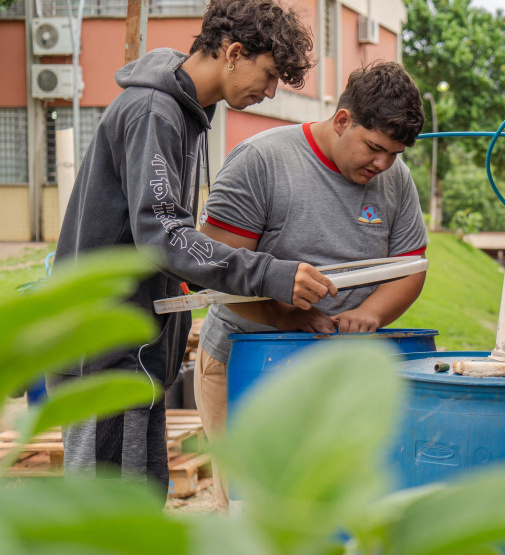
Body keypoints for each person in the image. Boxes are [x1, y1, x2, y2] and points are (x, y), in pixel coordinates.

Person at [50, 0, 335, 499]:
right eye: (268, 75)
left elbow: (168, 238)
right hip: (106, 355)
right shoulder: (153, 111)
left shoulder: (186, 113)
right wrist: (271, 274)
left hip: (137, 352)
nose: (269, 92)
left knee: (141, 504)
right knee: (111, 522)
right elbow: (165, 236)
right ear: (234, 52)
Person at [194, 61, 428, 509]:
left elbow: (411, 266)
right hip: (248, 359)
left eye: (395, 154)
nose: (384, 164)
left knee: (337, 504)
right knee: (254, 507)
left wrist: (372, 313)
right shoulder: (262, 160)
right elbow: (215, 268)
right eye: (375, 147)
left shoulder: (393, 176)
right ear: (342, 120)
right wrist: (288, 314)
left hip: (343, 366)